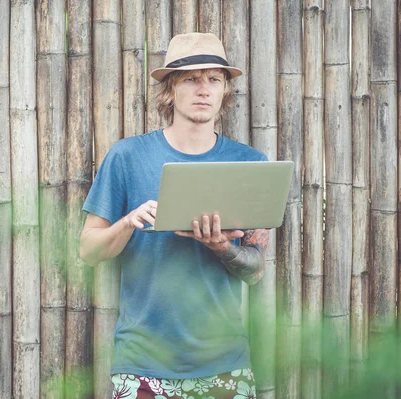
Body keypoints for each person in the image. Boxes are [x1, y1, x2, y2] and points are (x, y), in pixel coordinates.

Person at [80, 32, 269, 399]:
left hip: (224, 364)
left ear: (225, 91)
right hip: (142, 367)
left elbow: (255, 270)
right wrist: (127, 223)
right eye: (191, 79)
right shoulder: (127, 157)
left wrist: (221, 247)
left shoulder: (250, 164)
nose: (204, 89)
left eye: (214, 79)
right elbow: (88, 251)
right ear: (170, 89)